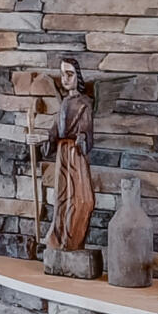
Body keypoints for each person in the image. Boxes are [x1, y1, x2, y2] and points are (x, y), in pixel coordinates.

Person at [43, 56, 96, 255]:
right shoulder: (65, 102)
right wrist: (45, 140)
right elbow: (56, 129)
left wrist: (82, 137)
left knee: (81, 198)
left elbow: (87, 130)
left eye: (70, 74)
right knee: (62, 196)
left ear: (78, 77)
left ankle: (73, 238)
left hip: (76, 154)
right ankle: (60, 237)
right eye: (62, 74)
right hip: (63, 154)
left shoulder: (85, 103)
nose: (65, 79)